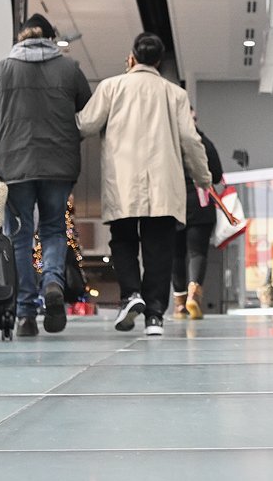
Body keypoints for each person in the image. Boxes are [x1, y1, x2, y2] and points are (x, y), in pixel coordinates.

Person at [77, 33, 212, 338]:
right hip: (163, 186)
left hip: (122, 181)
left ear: (132, 57)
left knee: (123, 241)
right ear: (159, 61)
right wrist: (203, 178)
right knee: (159, 250)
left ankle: (131, 294)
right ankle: (154, 316)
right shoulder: (175, 94)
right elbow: (191, 140)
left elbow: (85, 124)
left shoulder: (111, 87)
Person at [0, 13, 92, 338]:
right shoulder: (70, 69)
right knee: (53, 229)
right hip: (59, 166)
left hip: (15, 167)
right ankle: (52, 282)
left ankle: (26, 313)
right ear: (51, 39)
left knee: (20, 237)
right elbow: (88, 115)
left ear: (19, 39)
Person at [172, 108, 225, 320]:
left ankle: (179, 304)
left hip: (174, 204)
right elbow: (217, 174)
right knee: (197, 253)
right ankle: (194, 294)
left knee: (176, 254)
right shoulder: (205, 143)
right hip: (200, 203)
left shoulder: (169, 142)